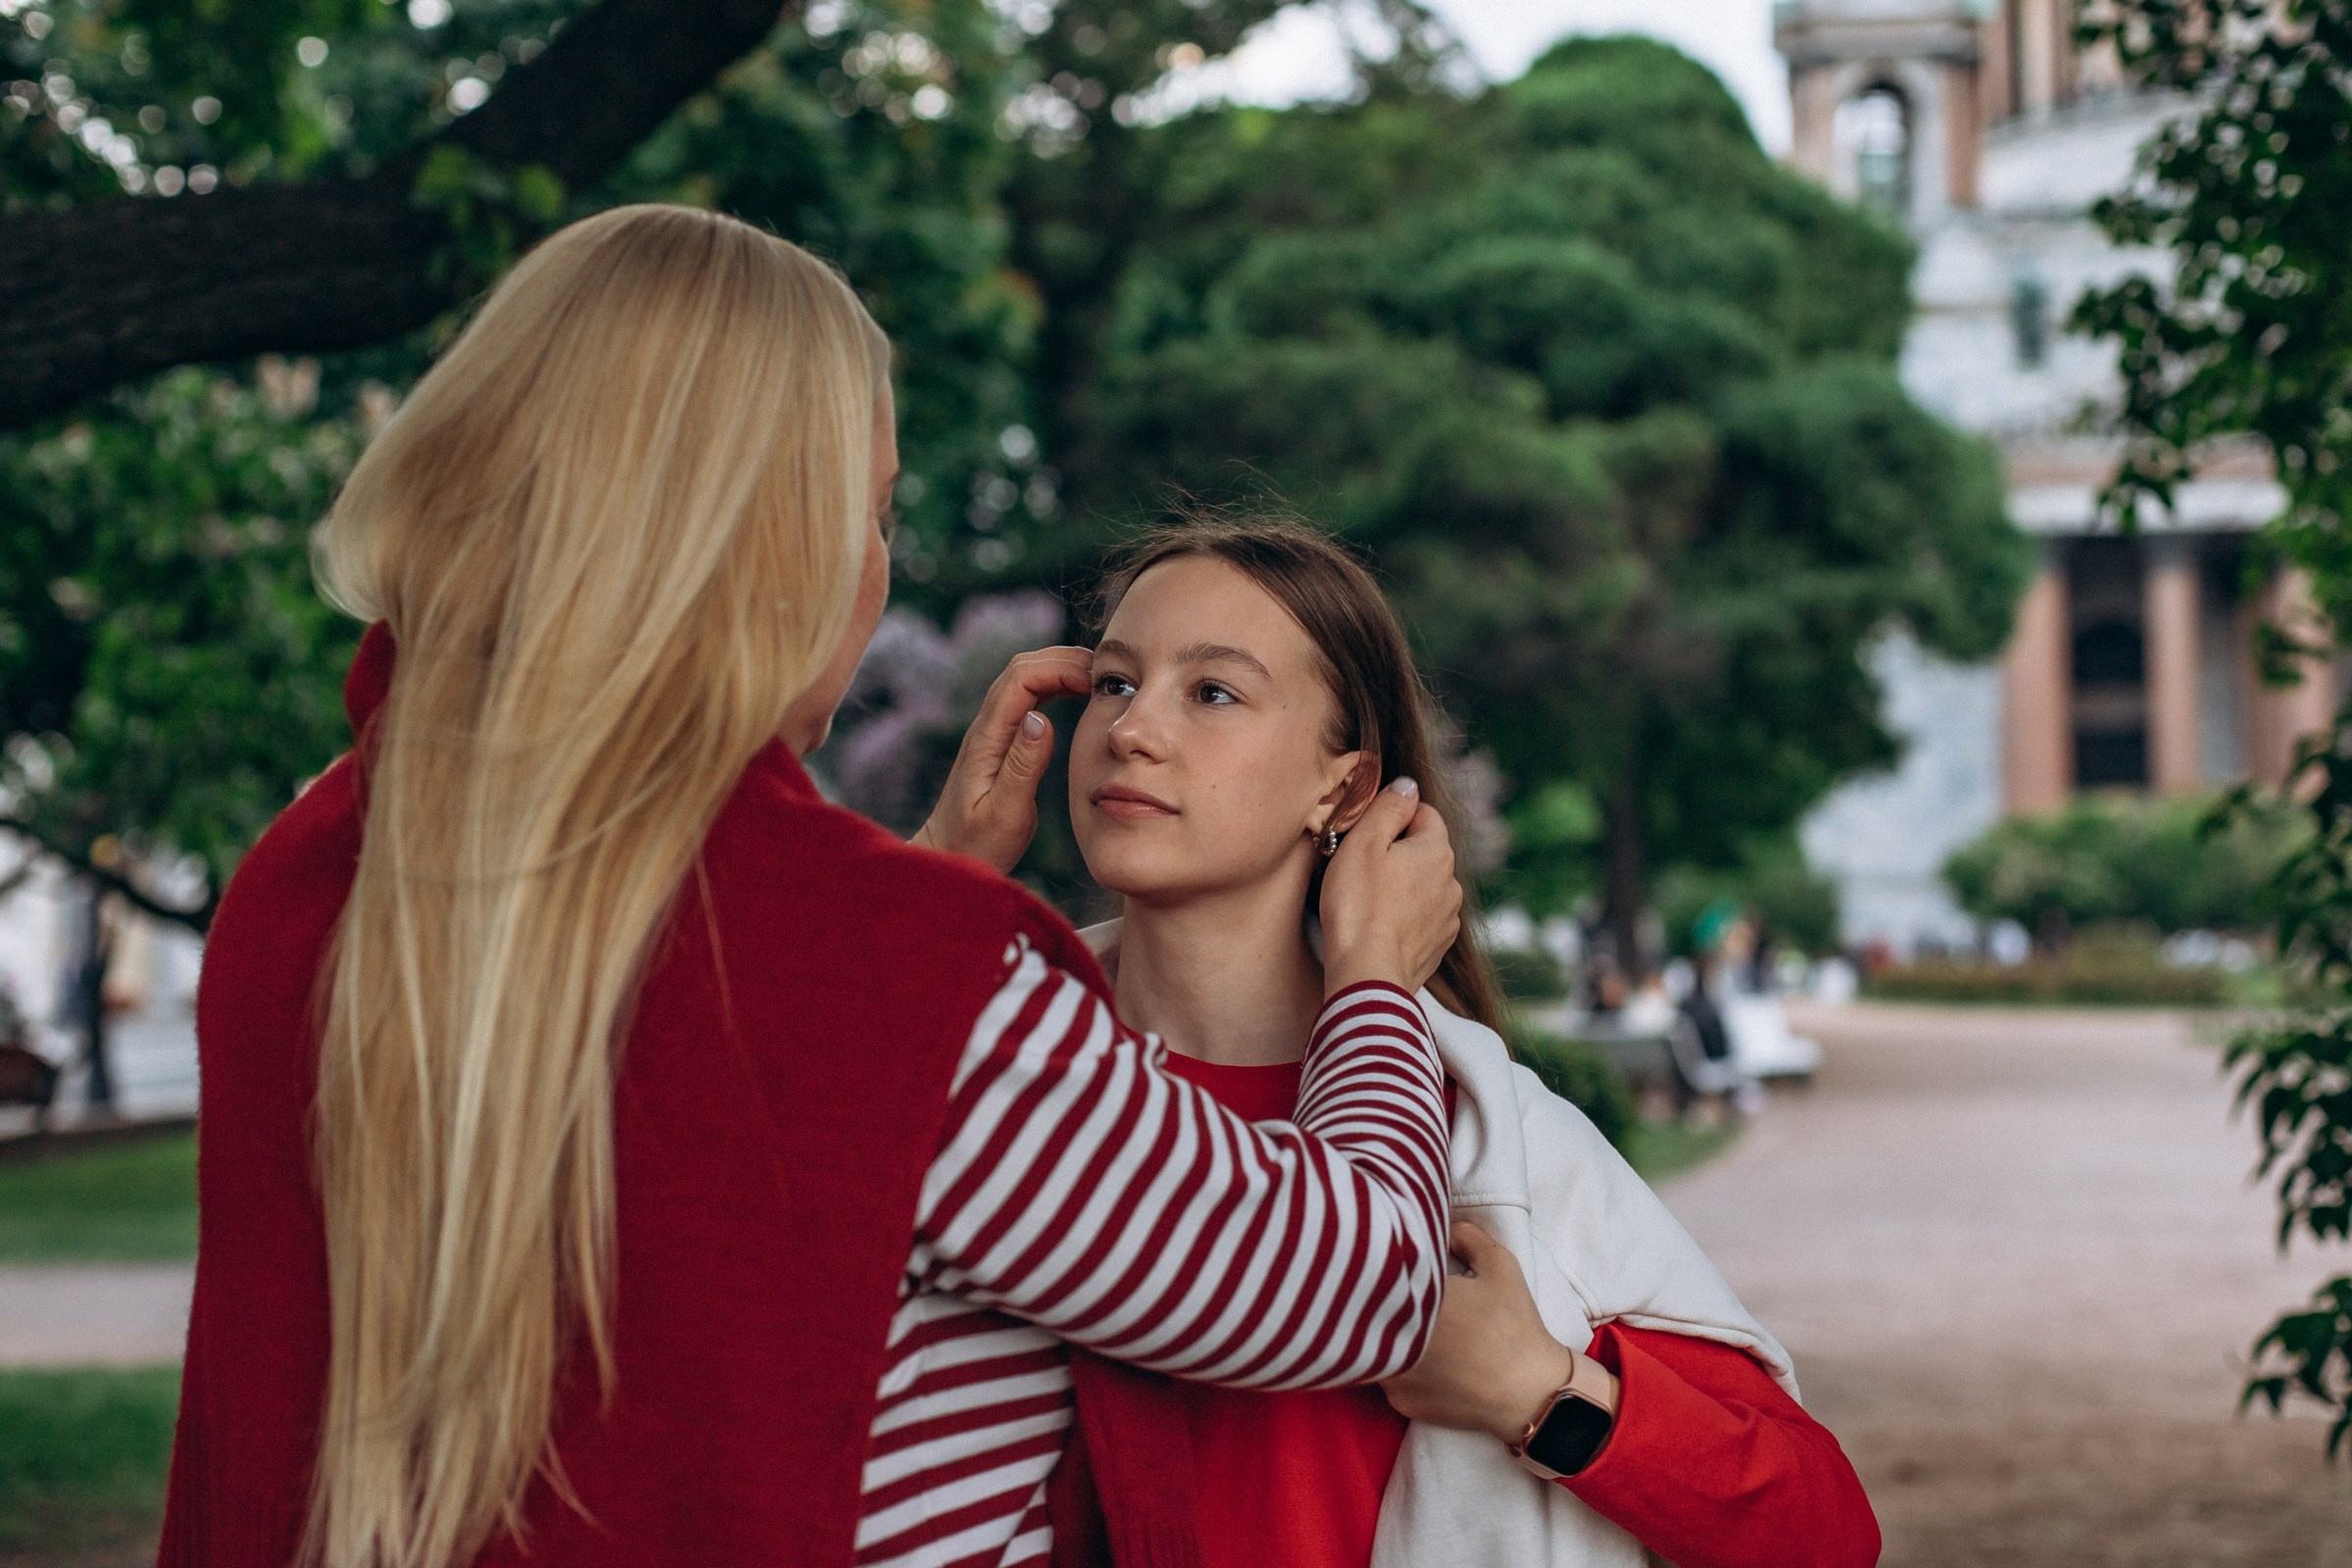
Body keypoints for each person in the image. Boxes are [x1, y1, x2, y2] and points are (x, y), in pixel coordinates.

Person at [157, 207, 1469, 1568]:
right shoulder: (893, 976)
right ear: (771, 542)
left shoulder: (313, 869)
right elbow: (1363, 1286)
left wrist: (918, 893)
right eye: (872, 511)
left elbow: (698, 1127)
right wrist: (1375, 981)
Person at [941, 516, 1879, 1568]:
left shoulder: (1489, 1139)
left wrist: (1540, 1390)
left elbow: (1823, 1533)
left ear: (1342, 786)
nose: (1131, 728)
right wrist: (929, 901)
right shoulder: (978, 1074)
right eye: (1114, 681)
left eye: (1212, 692)